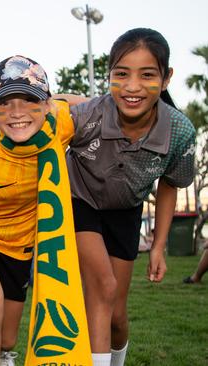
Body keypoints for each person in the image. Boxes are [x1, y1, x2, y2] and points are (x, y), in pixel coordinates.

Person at [0, 55, 89, 366]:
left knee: (7, 338)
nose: (17, 113)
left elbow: (90, 102)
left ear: (47, 104)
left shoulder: (61, 123)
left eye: (28, 100)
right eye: (4, 104)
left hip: (20, 245)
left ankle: (4, 354)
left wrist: (57, 99)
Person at [66, 28, 196, 366]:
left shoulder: (179, 131)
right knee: (102, 288)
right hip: (79, 200)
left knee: (117, 315)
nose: (132, 86)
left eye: (147, 74)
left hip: (125, 209)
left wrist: (157, 246)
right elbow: (48, 109)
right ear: (108, 76)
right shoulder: (88, 115)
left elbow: (170, 184)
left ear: (166, 78)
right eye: (121, 74)